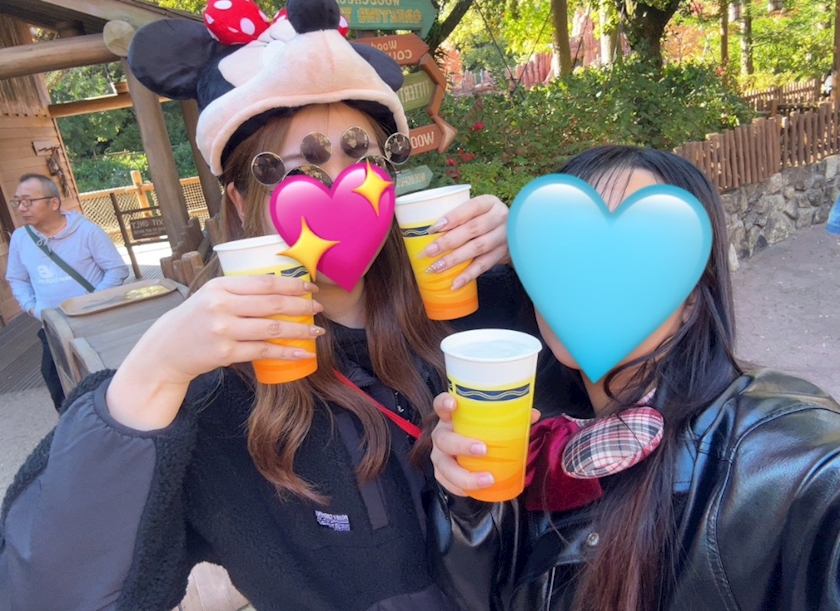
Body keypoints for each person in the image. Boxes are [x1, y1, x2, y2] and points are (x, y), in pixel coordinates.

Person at [0, 1, 584, 609]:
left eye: (366, 158)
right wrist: (152, 375)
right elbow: (47, 592)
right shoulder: (210, 397)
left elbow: (624, 389)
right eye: (304, 166)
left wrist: (537, 258)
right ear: (238, 198)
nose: (346, 185)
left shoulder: (479, 310)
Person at [429, 145, 840, 611]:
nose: (586, 279)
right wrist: (470, 505)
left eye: (634, 257)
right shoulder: (539, 438)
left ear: (691, 296)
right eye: (560, 252)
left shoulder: (785, 460)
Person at [5, 173, 129, 410]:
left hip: (93, 322)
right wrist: (33, 308)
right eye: (17, 202)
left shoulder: (87, 232)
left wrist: (89, 302)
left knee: (104, 380)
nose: (21, 208)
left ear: (54, 203)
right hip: (52, 326)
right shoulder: (21, 238)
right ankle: (72, 425)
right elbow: (17, 278)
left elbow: (116, 269)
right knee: (57, 382)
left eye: (28, 201)